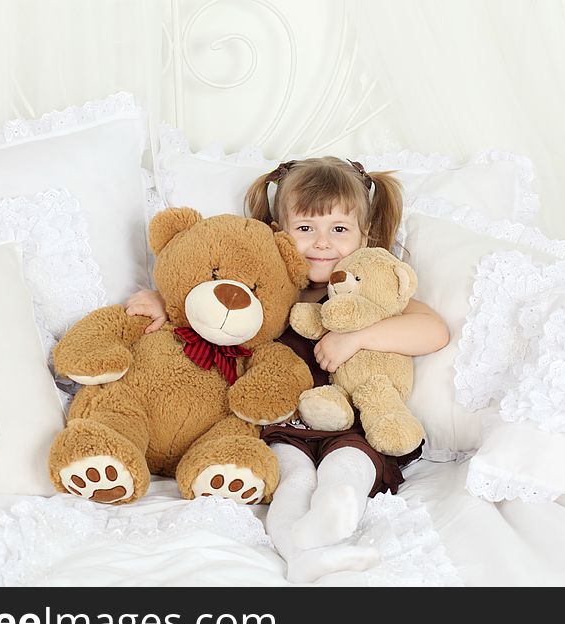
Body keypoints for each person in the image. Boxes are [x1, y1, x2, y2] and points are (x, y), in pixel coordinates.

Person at [126, 157, 449, 582]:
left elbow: (433, 330)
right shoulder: (272, 294)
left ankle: (333, 523)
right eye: (304, 228)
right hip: (283, 423)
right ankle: (301, 554)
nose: (321, 243)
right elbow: (206, 306)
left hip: (354, 426)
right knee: (292, 481)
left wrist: (357, 337)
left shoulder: (375, 296)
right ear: (280, 234)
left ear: (364, 236)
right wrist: (156, 298)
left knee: (346, 470)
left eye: (338, 229)